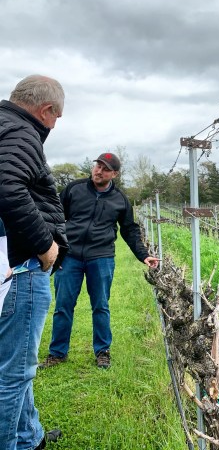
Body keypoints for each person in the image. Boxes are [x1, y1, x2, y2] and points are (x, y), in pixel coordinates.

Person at [42, 152, 159, 370]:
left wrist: (143, 254)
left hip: (102, 257)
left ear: (114, 174)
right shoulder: (74, 189)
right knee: (63, 305)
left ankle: (102, 351)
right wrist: (54, 243)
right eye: (97, 166)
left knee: (100, 306)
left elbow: (129, 230)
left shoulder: (120, 200)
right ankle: (57, 353)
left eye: (105, 168)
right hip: (71, 256)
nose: (98, 170)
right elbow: (54, 214)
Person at [0, 75, 68, 450]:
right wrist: (46, 247)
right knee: (13, 374)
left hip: (8, 265)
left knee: (15, 368)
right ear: (46, 110)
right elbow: (7, 186)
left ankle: (30, 438)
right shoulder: (23, 132)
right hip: (22, 269)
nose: (55, 126)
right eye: (57, 118)